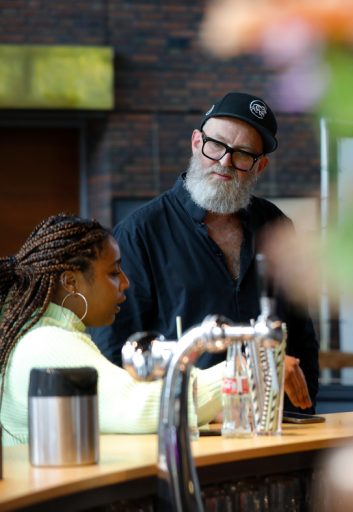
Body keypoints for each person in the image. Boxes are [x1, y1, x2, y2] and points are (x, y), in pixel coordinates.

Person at [91, 92, 317, 412]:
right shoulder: (140, 233)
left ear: (260, 165)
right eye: (217, 145)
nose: (224, 162)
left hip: (274, 430)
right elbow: (115, 350)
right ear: (197, 142)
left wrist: (304, 413)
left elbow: (301, 333)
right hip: (187, 430)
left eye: (242, 154)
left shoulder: (276, 226)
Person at [0, 214, 223, 446]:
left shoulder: (38, 333)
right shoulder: (45, 342)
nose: (125, 282)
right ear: (70, 282)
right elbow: (139, 407)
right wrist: (234, 374)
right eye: (114, 273)